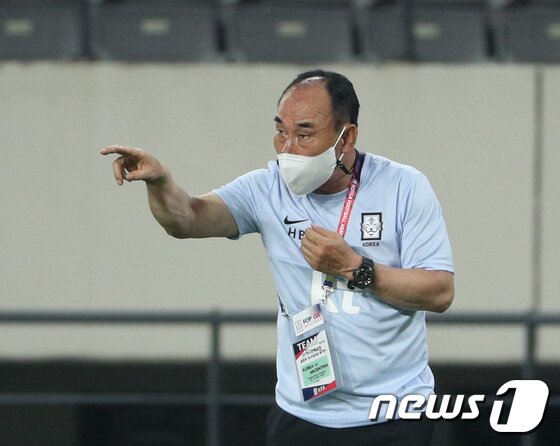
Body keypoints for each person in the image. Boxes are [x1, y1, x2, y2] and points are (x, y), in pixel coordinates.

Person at [101, 70, 454, 446]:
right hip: (300, 417)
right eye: (280, 131)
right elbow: (186, 218)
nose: (287, 148)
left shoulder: (403, 187)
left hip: (393, 417)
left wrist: (353, 267)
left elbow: (439, 292)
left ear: (346, 137)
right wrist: (160, 183)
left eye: (304, 134)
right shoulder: (266, 188)